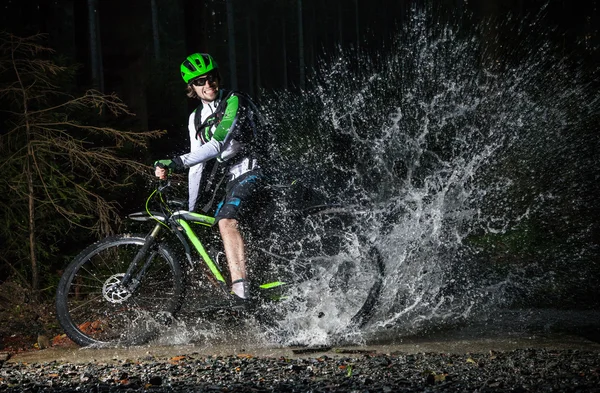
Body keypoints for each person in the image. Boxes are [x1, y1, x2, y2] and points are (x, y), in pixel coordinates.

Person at [154, 53, 264, 302]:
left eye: (211, 78)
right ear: (191, 88)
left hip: (254, 167)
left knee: (226, 221)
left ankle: (241, 290)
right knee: (207, 223)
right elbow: (197, 166)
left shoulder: (234, 100)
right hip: (230, 176)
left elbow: (215, 146)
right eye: (200, 81)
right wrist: (192, 209)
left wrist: (174, 162)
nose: (208, 84)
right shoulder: (195, 118)